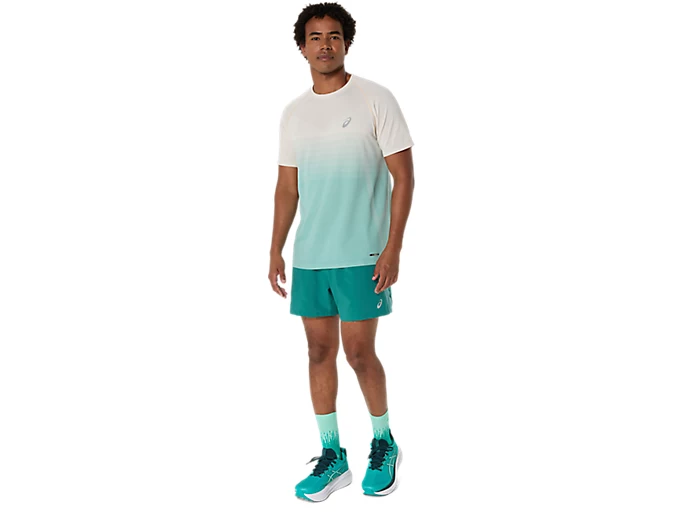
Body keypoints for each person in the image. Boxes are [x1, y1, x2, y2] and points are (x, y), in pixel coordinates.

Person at [268, 2, 415, 502]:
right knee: (317, 352)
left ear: (346, 43)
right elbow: (287, 187)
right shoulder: (294, 113)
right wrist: (275, 248)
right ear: (302, 47)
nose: (325, 44)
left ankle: (384, 441)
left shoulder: (375, 98)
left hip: (362, 254)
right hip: (311, 256)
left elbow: (404, 177)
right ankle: (332, 455)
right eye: (315, 37)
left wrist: (393, 248)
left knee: (358, 353)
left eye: (333, 35)